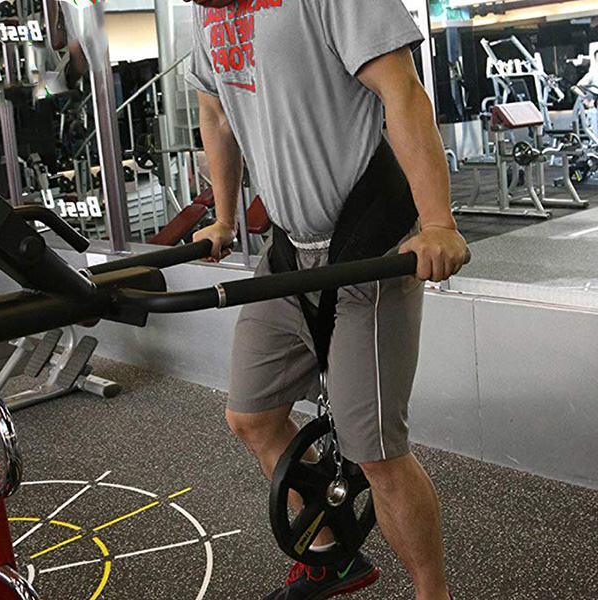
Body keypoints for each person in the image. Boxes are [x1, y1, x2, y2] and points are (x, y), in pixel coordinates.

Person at [184, 1, 467, 599]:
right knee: (252, 416)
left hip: (367, 244)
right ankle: (331, 555)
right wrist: (225, 217)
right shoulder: (204, 13)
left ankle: (433, 593)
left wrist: (438, 223)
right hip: (289, 251)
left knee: (377, 454)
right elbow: (215, 112)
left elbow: (401, 90)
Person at [572, 48, 598, 138]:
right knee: (593, 113)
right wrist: (587, 99)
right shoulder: (593, 74)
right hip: (594, 105)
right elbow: (576, 87)